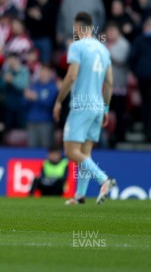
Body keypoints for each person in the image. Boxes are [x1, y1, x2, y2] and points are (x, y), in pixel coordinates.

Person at [53, 12, 116, 205]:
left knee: (72, 152)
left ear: (79, 28)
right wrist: (105, 109)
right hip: (97, 106)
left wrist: (58, 101)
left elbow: (71, 76)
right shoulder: (103, 50)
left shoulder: (77, 47)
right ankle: (80, 195)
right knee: (85, 154)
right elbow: (110, 82)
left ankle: (104, 180)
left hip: (82, 104)